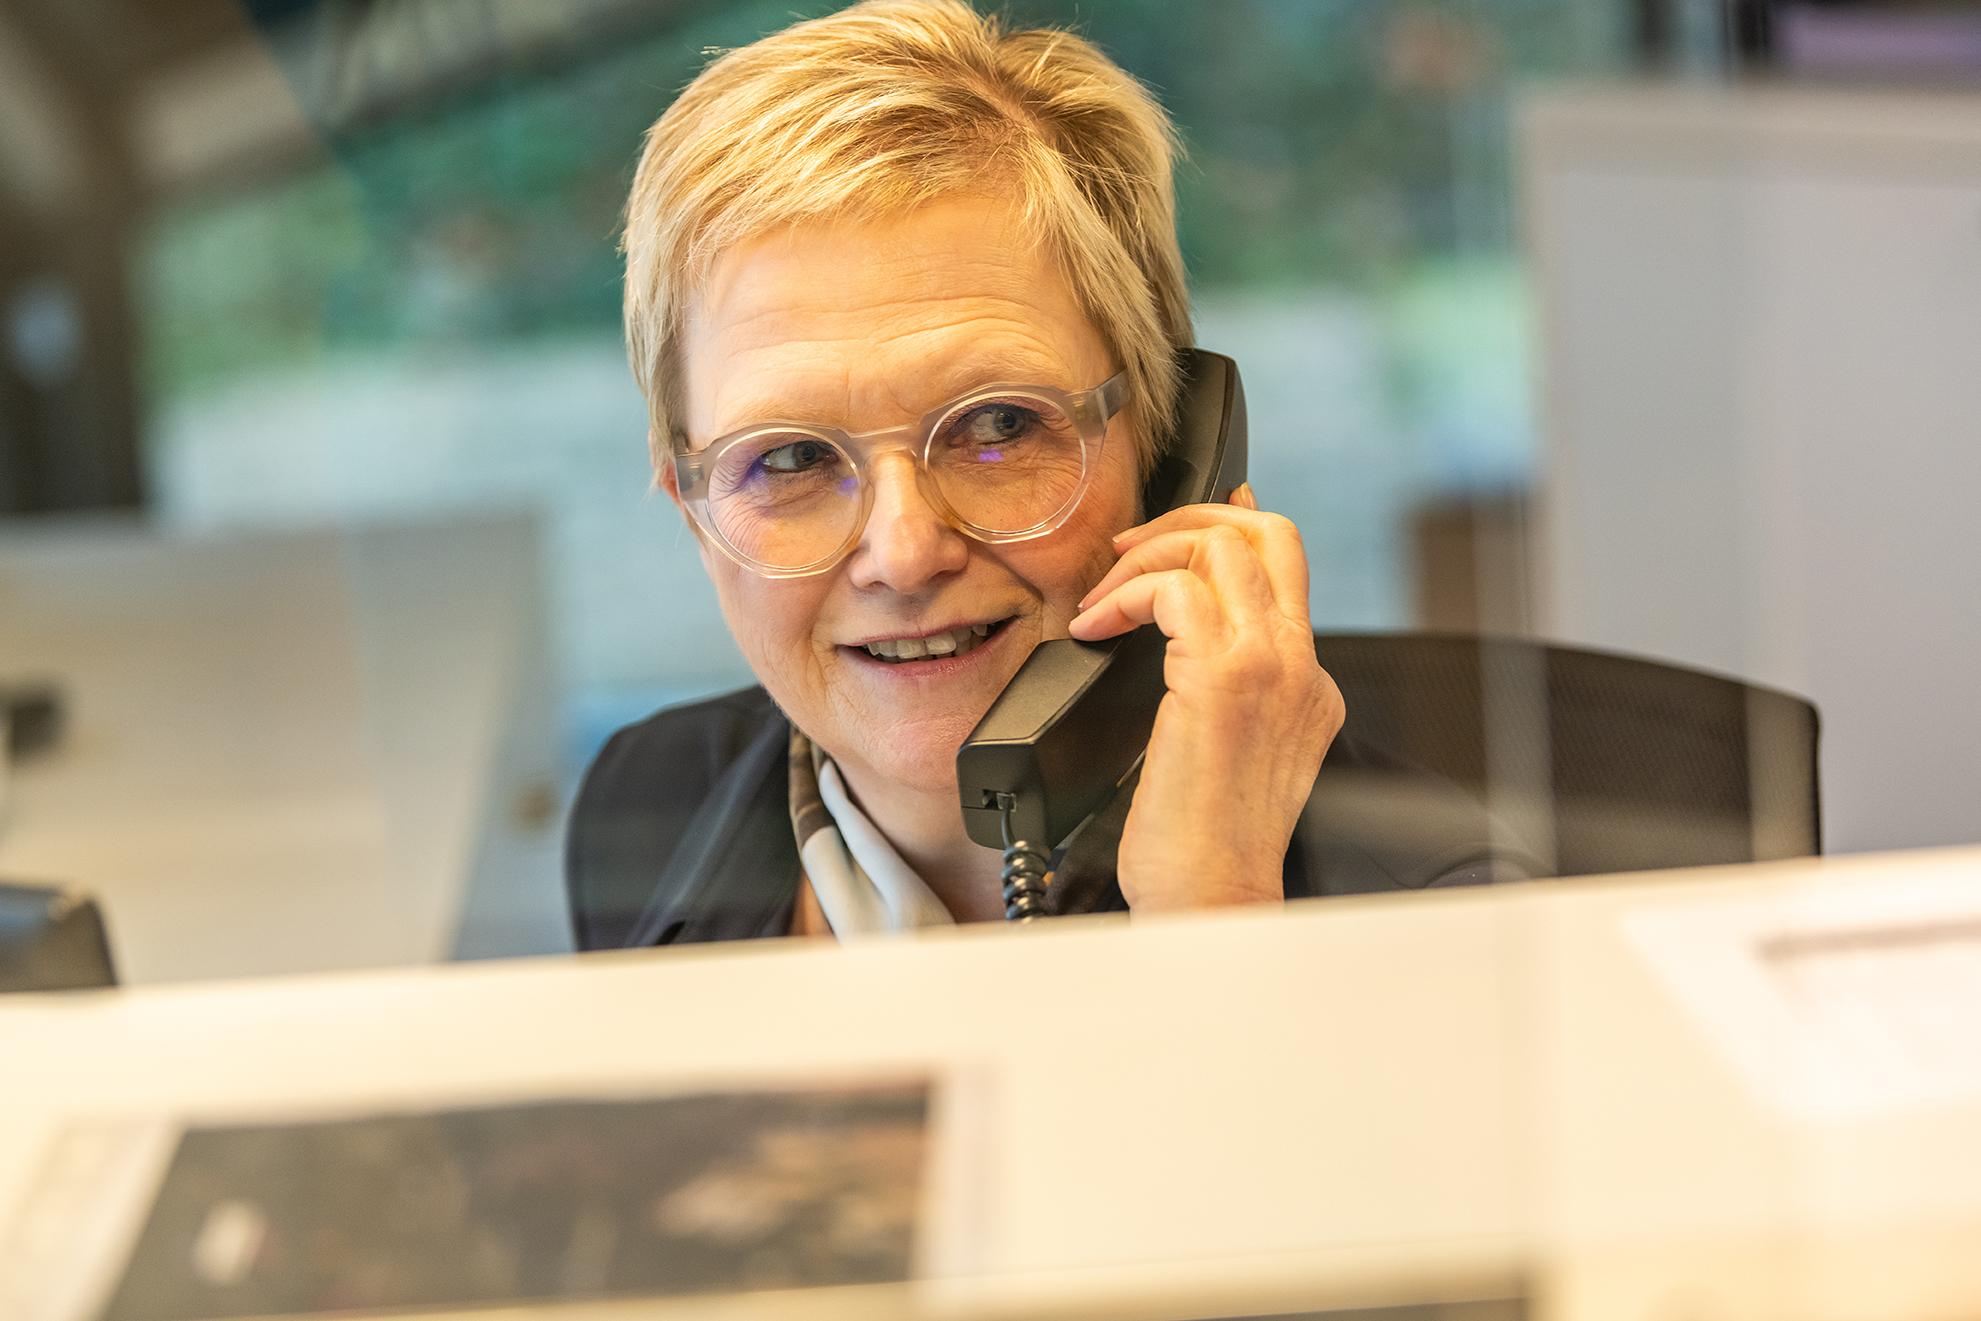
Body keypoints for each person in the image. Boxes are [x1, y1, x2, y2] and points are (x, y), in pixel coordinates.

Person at [569, 0, 1523, 948]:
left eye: (997, 426)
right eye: (790, 458)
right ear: (693, 512)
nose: (903, 555)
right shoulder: (645, 805)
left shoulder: (1460, 924)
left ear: (1169, 446)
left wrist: (1218, 914)